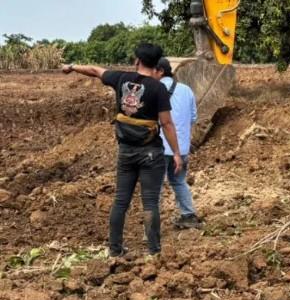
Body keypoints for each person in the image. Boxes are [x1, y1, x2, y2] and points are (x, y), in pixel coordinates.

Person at [62, 43, 182, 257]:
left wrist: (72, 66)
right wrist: (175, 152)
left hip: (126, 151)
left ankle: (115, 249)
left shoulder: (120, 79)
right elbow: (166, 123)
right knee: (150, 201)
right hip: (150, 153)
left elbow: (95, 70)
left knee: (120, 201)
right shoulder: (158, 88)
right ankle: (154, 251)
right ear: (156, 66)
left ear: (137, 61)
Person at [151, 58, 203, 229]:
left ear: (159, 71)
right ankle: (188, 215)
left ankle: (153, 226)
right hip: (181, 148)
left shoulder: (153, 90)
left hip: (160, 148)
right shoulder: (186, 89)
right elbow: (194, 117)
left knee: (155, 187)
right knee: (179, 181)